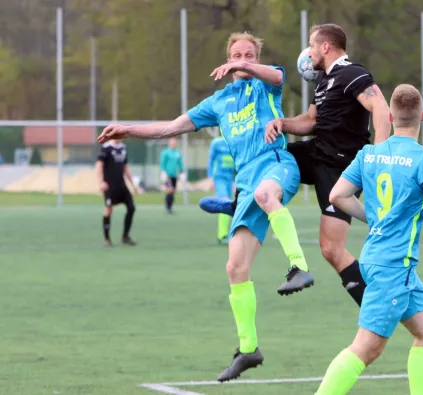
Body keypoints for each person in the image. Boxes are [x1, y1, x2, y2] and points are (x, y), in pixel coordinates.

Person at [97, 31, 314, 382]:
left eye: (248, 54)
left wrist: (248, 66)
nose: (242, 58)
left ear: (255, 58)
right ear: (226, 61)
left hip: (276, 165)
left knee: (265, 196)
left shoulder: (265, 85)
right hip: (247, 183)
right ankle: (248, 349)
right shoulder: (218, 103)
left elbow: (277, 75)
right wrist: (128, 130)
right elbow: (170, 126)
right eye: (236, 54)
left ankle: (299, 266)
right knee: (235, 267)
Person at [202, 23, 391, 307]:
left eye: (313, 45)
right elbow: (312, 122)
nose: (309, 51)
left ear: (325, 47)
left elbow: (380, 108)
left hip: (338, 166)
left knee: (331, 249)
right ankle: (240, 202)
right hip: (315, 152)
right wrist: (282, 123)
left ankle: (375, 304)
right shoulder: (323, 81)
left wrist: (380, 154)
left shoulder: (352, 73)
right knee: (268, 158)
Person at [314, 84, 423, 395]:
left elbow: (337, 195)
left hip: (385, 262)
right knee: (366, 348)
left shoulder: (369, 154)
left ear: (391, 117)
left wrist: (373, 216)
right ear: (422, 116)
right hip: (392, 267)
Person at [95, 139, 138, 247]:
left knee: (131, 208)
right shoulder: (106, 148)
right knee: (109, 209)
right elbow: (99, 165)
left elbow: (126, 167)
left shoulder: (123, 148)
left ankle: (125, 236)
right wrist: (101, 182)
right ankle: (107, 239)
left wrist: (133, 184)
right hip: (110, 185)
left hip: (121, 185)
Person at [207, 136, 235, 244]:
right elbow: (211, 160)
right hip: (219, 177)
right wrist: (210, 179)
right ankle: (222, 235)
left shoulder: (234, 141)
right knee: (224, 201)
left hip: (229, 178)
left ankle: (228, 233)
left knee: (230, 204)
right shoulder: (217, 143)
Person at [160, 137, 185, 214]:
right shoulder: (165, 152)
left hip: (174, 175)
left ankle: (170, 206)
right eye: (172, 142)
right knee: (170, 190)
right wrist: (163, 172)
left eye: (175, 142)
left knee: (173, 191)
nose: (174, 143)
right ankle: (168, 207)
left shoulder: (178, 153)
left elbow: (180, 163)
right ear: (169, 143)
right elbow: (162, 163)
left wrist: (182, 171)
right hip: (168, 175)